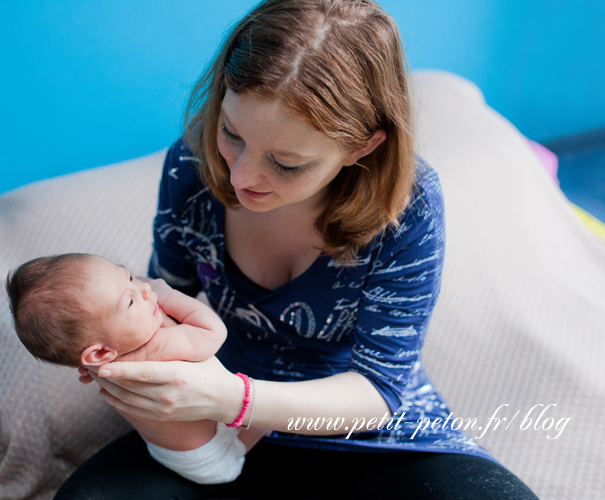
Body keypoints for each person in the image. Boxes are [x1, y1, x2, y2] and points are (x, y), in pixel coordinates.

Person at [56, 0, 540, 498]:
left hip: (364, 432)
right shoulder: (192, 165)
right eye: (231, 133)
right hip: (218, 430)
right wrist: (116, 354)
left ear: (363, 146)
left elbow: (379, 389)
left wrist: (234, 398)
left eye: (286, 163)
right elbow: (163, 296)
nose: (240, 176)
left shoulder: (409, 205)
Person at [6, 253, 268, 484]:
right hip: (213, 458)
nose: (145, 288)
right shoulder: (158, 349)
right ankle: (257, 433)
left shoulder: (104, 362)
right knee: (260, 421)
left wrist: (131, 294)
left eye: (129, 276)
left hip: (170, 452)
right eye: (130, 301)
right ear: (99, 353)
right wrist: (167, 295)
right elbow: (214, 331)